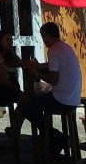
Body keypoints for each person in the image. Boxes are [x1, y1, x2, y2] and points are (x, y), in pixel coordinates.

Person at [23, 22, 82, 156]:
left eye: (43, 35)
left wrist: (36, 73)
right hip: (73, 97)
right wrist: (38, 66)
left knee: (28, 109)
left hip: (61, 98)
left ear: (48, 35)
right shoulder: (64, 47)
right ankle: (50, 141)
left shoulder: (54, 50)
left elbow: (53, 79)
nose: (43, 40)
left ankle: (55, 137)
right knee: (37, 105)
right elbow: (52, 65)